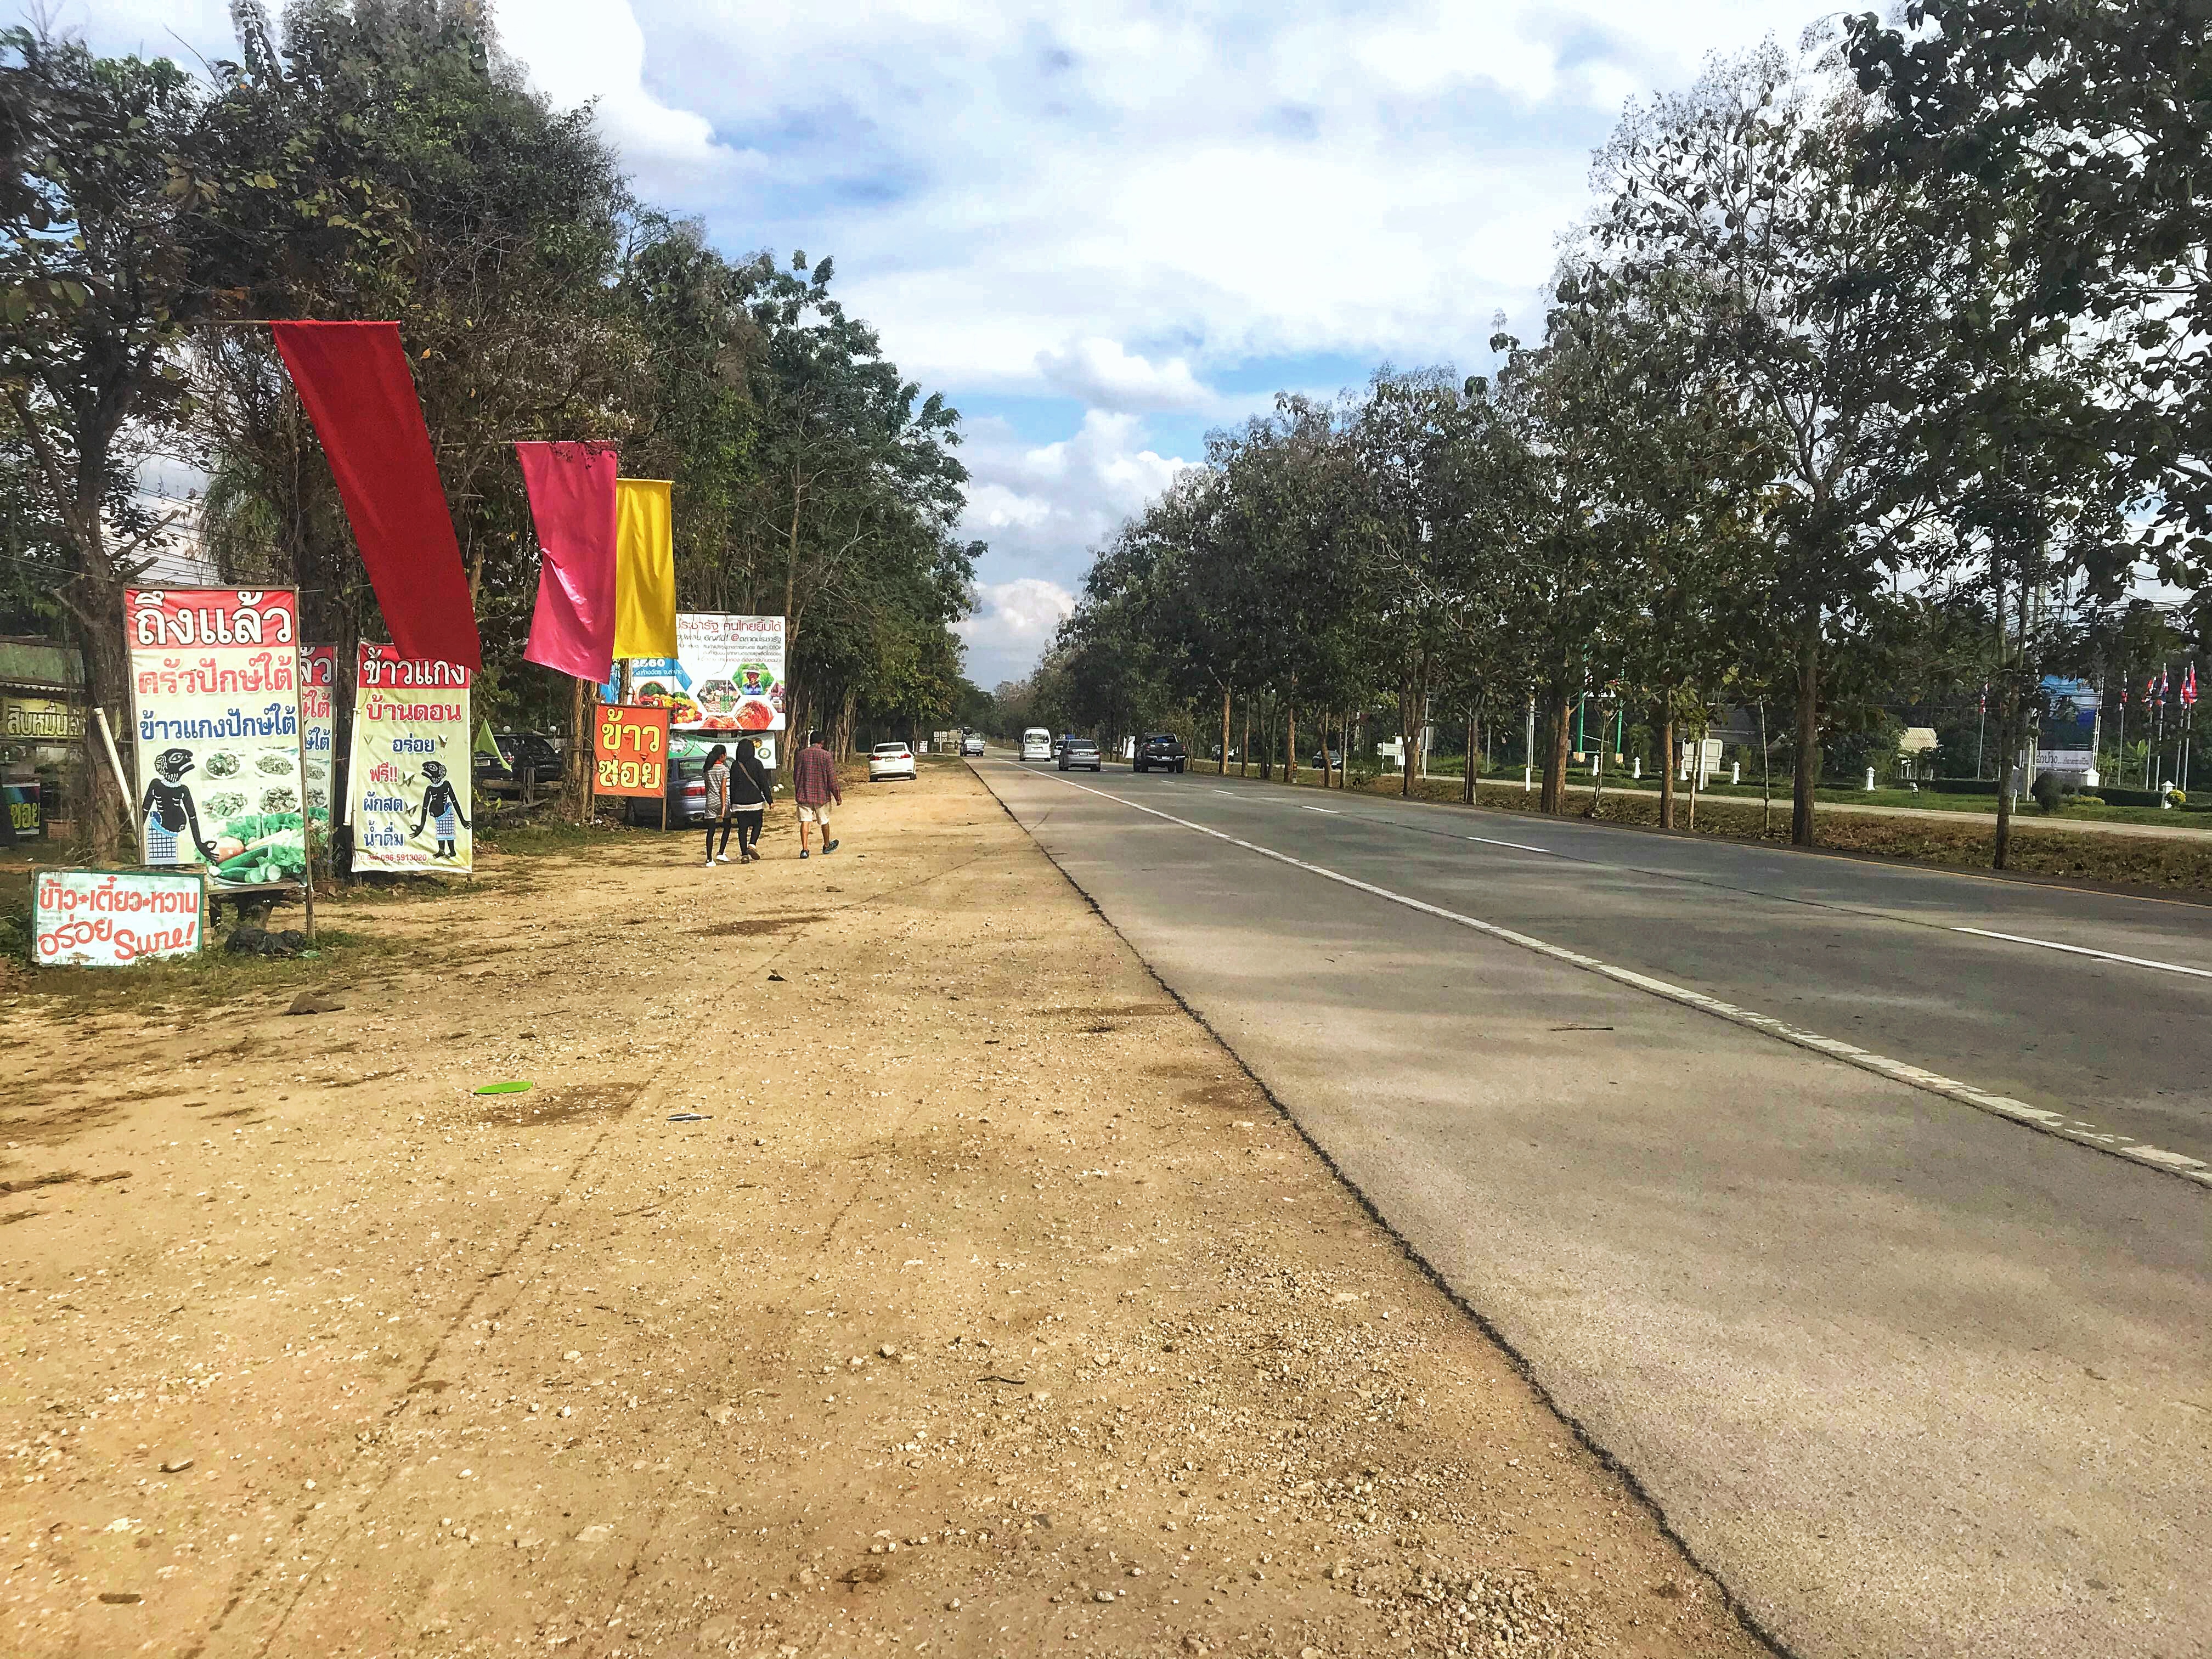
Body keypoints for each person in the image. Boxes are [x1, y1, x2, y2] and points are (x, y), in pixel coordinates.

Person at [792, 729, 841, 858]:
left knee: (805, 821)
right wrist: (837, 796)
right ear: (822, 742)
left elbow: (796, 775)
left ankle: (805, 849)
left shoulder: (801, 755)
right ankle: (827, 845)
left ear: (810, 741)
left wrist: (798, 790)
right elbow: (832, 778)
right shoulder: (826, 756)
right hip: (822, 795)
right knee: (824, 821)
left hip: (804, 794)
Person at [728, 737, 770, 862]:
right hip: (755, 801)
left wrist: (732, 802)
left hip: (739, 803)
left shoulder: (735, 765)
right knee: (758, 823)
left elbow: (733, 786)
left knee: (742, 828)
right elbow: (764, 783)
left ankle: (744, 855)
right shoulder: (757, 764)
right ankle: (752, 844)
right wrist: (770, 800)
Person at [701, 743, 732, 865]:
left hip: (710, 801)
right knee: (727, 826)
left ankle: (709, 858)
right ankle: (721, 852)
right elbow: (723, 789)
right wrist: (724, 806)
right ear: (722, 756)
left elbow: (707, 787)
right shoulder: (724, 769)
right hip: (721, 800)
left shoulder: (707, 769)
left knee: (711, 831)